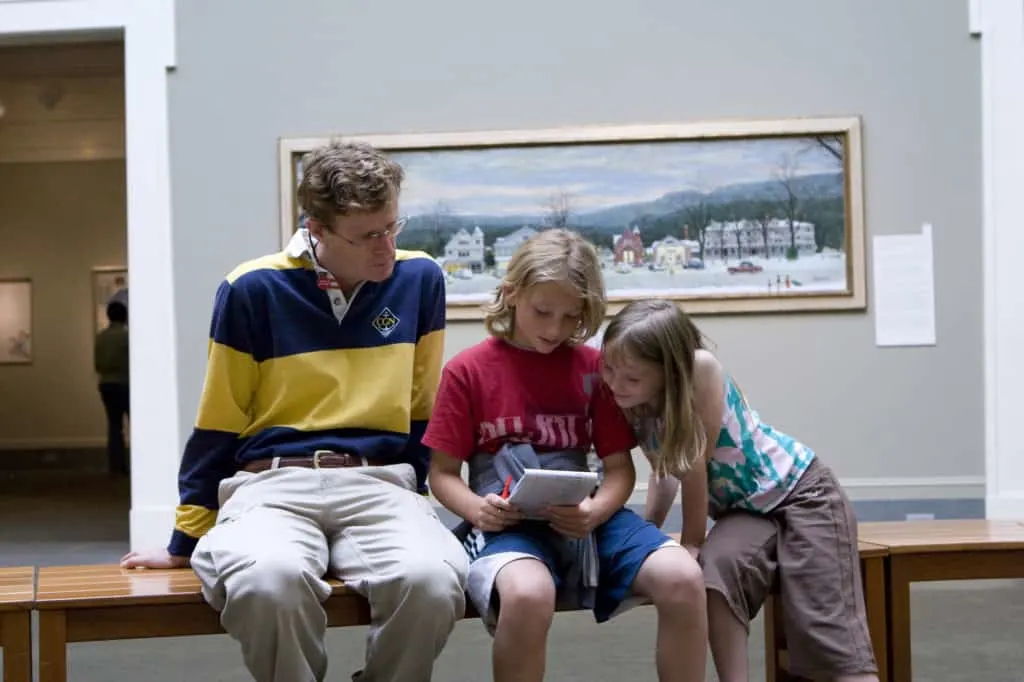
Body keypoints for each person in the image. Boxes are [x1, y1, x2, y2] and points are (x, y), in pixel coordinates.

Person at [120, 140, 469, 682]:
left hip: (379, 483)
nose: (386, 248)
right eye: (367, 236)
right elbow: (220, 418)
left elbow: (422, 407)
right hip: (270, 486)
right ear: (318, 229)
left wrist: (419, 499)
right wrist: (184, 539)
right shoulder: (251, 288)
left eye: (393, 228)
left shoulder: (420, 278)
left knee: (433, 581)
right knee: (268, 581)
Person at [424, 229, 707, 682]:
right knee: (528, 594)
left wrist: (595, 510)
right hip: (505, 526)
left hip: (585, 517)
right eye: (542, 312)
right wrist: (478, 509)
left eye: (570, 317)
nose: (555, 330)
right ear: (512, 293)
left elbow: (618, 470)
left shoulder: (594, 367)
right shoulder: (467, 371)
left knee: (683, 578)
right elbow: (441, 474)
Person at [600, 298, 878, 682]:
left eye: (630, 378)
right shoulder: (634, 402)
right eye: (609, 369)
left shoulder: (700, 370)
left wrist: (693, 541)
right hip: (744, 512)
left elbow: (694, 464)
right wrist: (647, 535)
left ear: (669, 373)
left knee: (822, 623)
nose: (615, 384)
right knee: (715, 579)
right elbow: (665, 474)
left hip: (802, 493)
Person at [94, 300, 130, 475]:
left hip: (107, 384)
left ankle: (116, 465)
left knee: (114, 426)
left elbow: (98, 364)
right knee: (134, 426)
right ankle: (137, 465)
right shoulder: (126, 337)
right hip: (125, 383)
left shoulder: (101, 337)